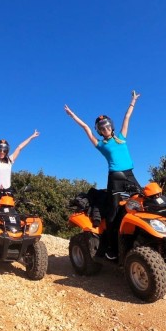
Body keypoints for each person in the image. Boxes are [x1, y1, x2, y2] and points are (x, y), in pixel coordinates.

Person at [64, 90, 141, 260]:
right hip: (115, 178)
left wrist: (133, 101)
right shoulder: (100, 144)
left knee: (142, 203)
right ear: (99, 131)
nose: (104, 129)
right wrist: (72, 115)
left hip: (130, 175)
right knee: (113, 213)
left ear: (111, 126)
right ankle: (111, 249)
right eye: (101, 128)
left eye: (106, 125)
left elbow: (127, 117)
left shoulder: (121, 137)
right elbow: (85, 127)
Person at [0, 121, 39, 189]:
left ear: (7, 151)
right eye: (0, 150)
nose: (2, 152)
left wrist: (31, 137)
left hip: (7, 192)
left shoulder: (10, 160)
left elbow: (19, 147)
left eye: (4, 151)